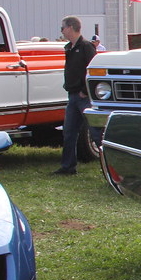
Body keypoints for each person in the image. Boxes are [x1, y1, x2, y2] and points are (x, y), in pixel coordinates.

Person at [53, 15, 97, 175]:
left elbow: (93, 70)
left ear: (70, 28)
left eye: (62, 28)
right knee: (69, 132)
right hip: (72, 96)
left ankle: (110, 167)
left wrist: (85, 91)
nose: (62, 31)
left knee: (95, 133)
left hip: (83, 98)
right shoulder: (69, 48)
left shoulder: (86, 47)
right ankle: (68, 166)